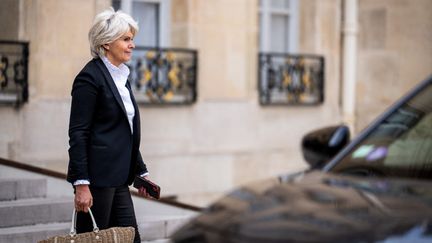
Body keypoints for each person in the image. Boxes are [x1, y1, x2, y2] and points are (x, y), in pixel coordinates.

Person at [66, 7, 150, 243]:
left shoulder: (121, 76)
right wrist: (81, 183)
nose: (132, 44)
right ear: (105, 44)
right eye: (126, 39)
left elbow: (125, 130)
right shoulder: (89, 78)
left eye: (132, 39)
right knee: (92, 239)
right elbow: (78, 133)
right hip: (97, 181)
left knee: (130, 238)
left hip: (120, 179)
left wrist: (140, 170)